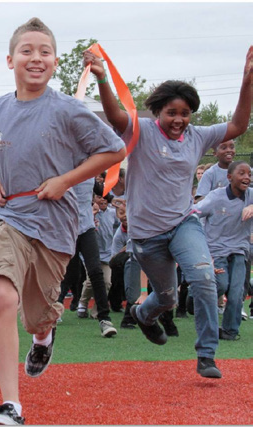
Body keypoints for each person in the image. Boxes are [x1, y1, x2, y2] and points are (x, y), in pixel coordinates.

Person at [0, 17, 126, 425]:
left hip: (56, 227)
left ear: (55, 62)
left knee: (37, 315)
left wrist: (65, 181)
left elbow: (113, 150)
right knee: (1, 295)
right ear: (10, 60)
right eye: (27, 51)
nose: (35, 58)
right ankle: (11, 407)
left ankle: (44, 334)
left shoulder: (70, 110)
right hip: (8, 217)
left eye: (44, 52)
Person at [83, 45, 252, 379]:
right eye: (172, 113)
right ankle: (144, 315)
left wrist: (248, 81)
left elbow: (238, 124)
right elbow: (117, 116)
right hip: (146, 234)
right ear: (158, 112)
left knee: (204, 279)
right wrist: (103, 78)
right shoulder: (141, 130)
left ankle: (206, 355)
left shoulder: (198, 136)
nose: (179, 120)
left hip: (183, 223)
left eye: (186, 113)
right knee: (167, 297)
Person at [196, 161, 253, 340]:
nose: (247, 177)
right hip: (216, 250)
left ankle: (229, 330)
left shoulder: (251, 196)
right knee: (221, 284)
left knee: (237, 293)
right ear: (229, 177)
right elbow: (194, 213)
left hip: (239, 250)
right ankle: (194, 296)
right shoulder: (216, 197)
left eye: (249, 174)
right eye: (242, 173)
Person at [58, 178, 117, 337]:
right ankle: (56, 306)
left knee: (96, 271)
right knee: (70, 272)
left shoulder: (89, 170)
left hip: (87, 227)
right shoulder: (64, 166)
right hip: (67, 228)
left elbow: (100, 189)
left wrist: (113, 199)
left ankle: (104, 319)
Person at [109, 202, 142, 329]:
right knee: (132, 289)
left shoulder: (143, 225)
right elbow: (114, 260)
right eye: (121, 213)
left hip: (146, 260)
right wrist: (126, 251)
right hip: (129, 262)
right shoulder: (119, 235)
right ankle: (128, 319)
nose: (125, 216)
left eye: (128, 212)